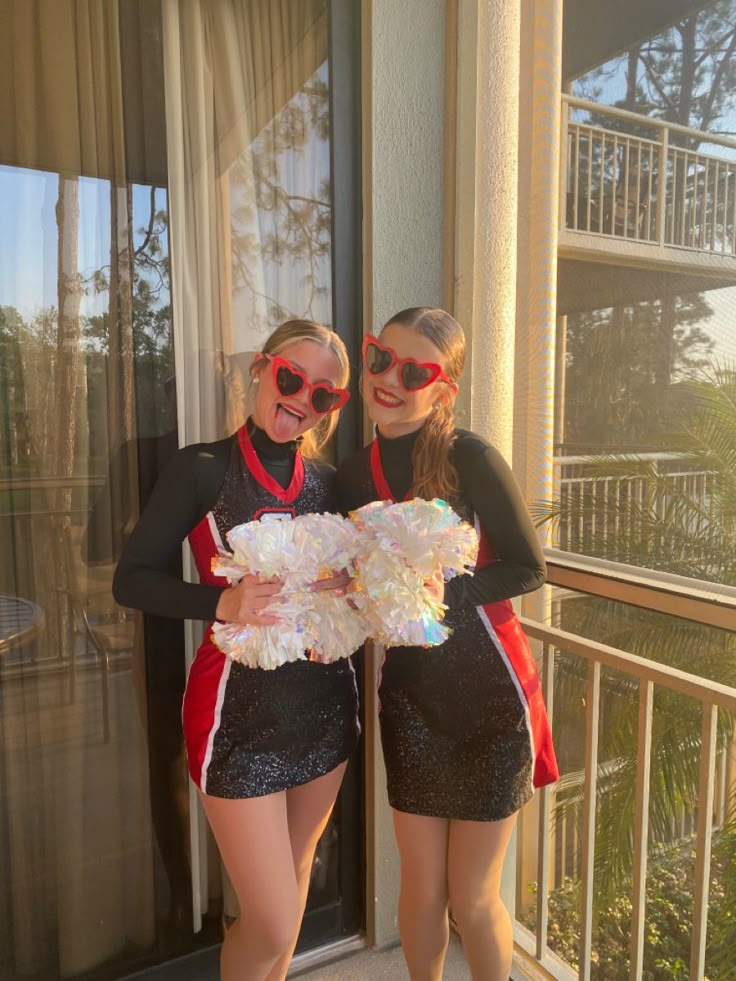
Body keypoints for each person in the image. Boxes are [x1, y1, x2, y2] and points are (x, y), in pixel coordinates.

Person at [113, 320, 360, 981]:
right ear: (261, 368)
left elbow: (360, 579)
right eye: (290, 378)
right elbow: (130, 578)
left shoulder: (332, 483)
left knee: (297, 879)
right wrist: (221, 602)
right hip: (236, 721)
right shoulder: (202, 468)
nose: (301, 399)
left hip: (325, 710)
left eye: (324, 395)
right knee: (273, 917)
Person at [337, 307, 559, 981]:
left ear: (444, 388)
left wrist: (440, 589)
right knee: (423, 890)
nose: (389, 379)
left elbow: (529, 565)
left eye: (414, 370)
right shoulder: (351, 473)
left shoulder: (472, 457)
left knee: (473, 895)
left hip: (493, 702)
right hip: (412, 702)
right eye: (380, 358)